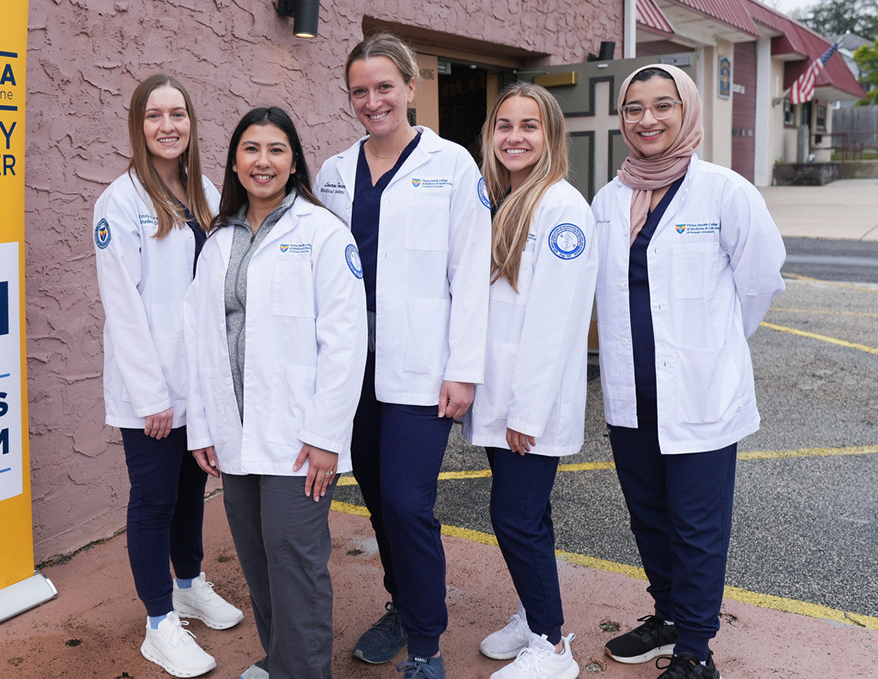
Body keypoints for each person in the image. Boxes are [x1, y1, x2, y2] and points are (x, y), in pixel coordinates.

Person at [591, 64, 785, 679]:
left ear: (688, 112)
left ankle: (696, 651)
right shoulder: (609, 198)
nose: (647, 119)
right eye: (634, 108)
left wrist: (712, 348)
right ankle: (669, 616)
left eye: (663, 106)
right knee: (648, 517)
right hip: (631, 396)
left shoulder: (724, 192)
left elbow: (758, 285)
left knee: (698, 527)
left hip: (700, 393)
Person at [314, 32, 491, 679]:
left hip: (420, 363)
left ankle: (424, 643)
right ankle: (401, 603)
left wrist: (462, 368)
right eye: (359, 90)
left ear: (410, 88)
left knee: (409, 503)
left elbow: (470, 272)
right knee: (378, 497)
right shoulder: (333, 172)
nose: (371, 100)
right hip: (349, 365)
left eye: (383, 86)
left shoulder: (451, 166)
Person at [185, 106, 367, 679]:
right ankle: (279, 661)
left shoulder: (321, 233)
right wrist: (202, 427)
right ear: (235, 162)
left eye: (276, 150)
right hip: (234, 431)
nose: (263, 161)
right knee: (259, 562)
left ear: (293, 163)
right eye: (251, 150)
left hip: (299, 439)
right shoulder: (217, 242)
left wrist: (325, 437)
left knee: (296, 563)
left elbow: (345, 342)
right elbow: (201, 342)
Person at [93, 74, 243, 679]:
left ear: (191, 122)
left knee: (189, 495)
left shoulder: (203, 189)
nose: (167, 126)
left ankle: (189, 583)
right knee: (153, 501)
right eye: (154, 115)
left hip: (196, 383)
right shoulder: (120, 201)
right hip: (151, 389)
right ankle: (159, 623)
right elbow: (122, 305)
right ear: (138, 125)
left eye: (177, 114)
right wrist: (151, 393)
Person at [463, 82, 597, 679]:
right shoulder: (500, 199)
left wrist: (527, 412)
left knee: (515, 518)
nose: (514, 137)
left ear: (551, 137)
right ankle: (534, 612)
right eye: (505, 126)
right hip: (500, 394)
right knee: (527, 517)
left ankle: (553, 646)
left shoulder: (563, 209)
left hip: (528, 405)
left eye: (529, 127)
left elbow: (555, 324)